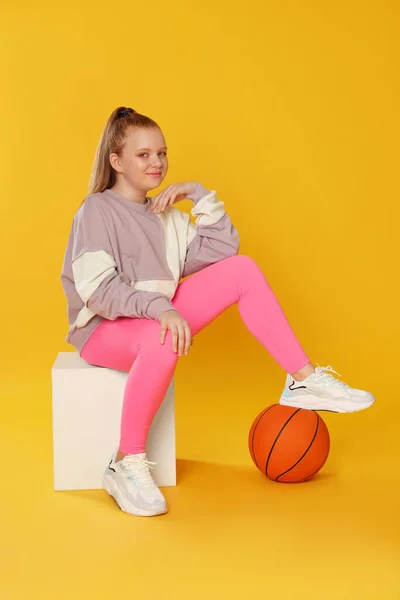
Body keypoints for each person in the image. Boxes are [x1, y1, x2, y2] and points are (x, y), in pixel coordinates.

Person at [60, 106, 375, 517]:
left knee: (242, 271)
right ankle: (125, 461)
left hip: (155, 317)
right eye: (143, 155)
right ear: (116, 162)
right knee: (162, 338)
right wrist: (160, 309)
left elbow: (223, 252)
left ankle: (303, 379)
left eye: (162, 153)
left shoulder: (166, 217)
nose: (157, 162)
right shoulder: (96, 211)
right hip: (103, 329)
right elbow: (99, 290)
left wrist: (198, 194)